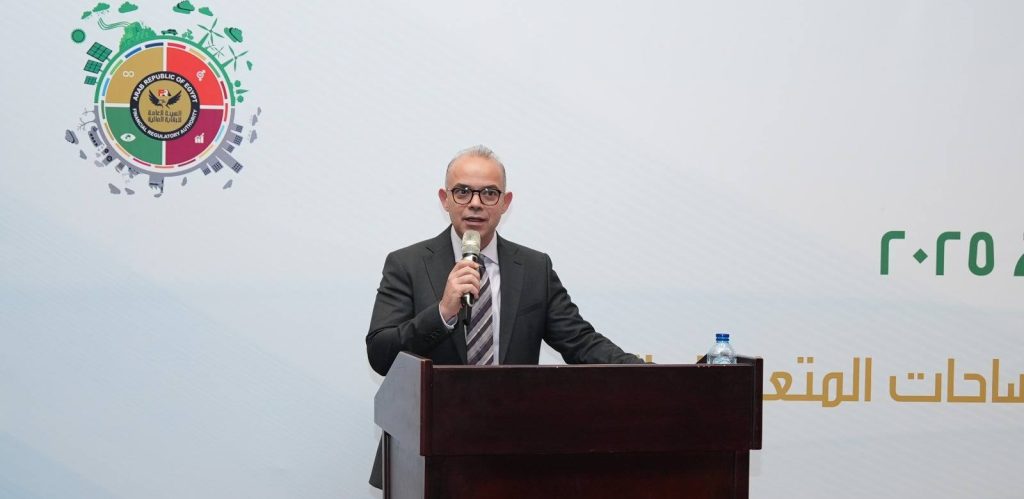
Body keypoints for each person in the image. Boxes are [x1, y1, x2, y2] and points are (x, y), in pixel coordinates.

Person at [365, 145, 645, 489]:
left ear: (505, 202)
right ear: (445, 199)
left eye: (489, 193)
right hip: (424, 454)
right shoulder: (406, 264)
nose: (475, 203)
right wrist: (443, 312)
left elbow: (581, 342)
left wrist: (647, 374)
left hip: (512, 452)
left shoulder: (534, 268)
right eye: (463, 191)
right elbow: (381, 354)